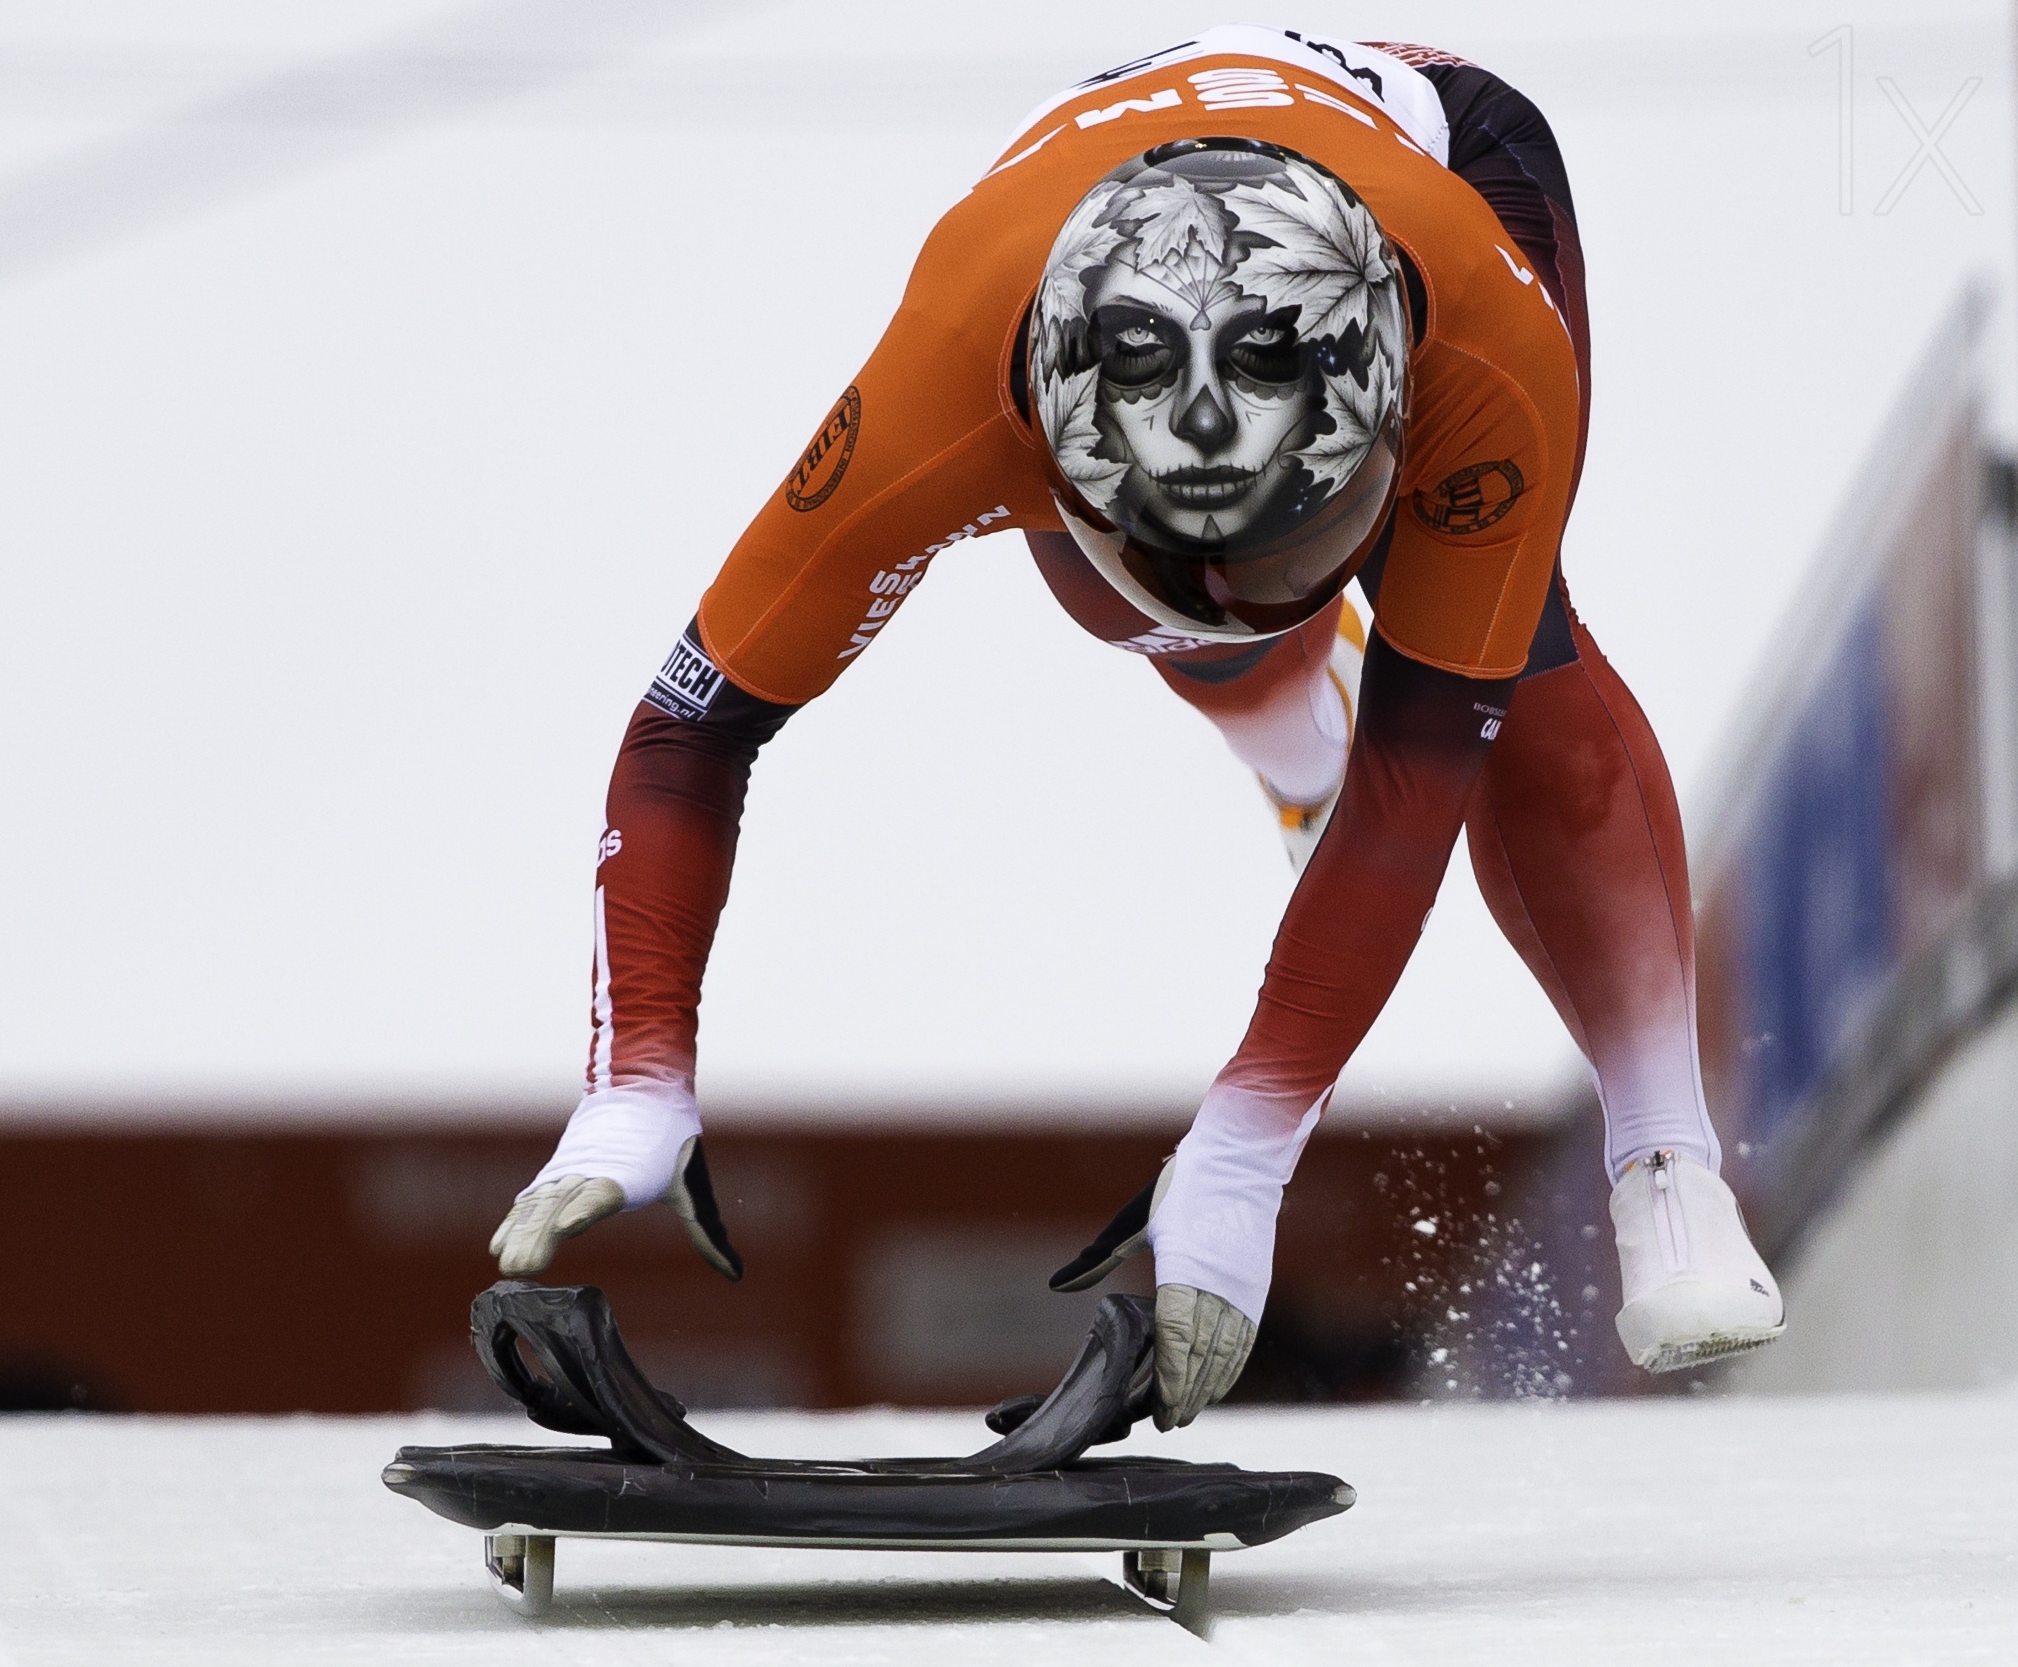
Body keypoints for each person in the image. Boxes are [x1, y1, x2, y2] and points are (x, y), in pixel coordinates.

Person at [488, 25, 1785, 1425]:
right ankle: (1291, 746)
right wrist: (636, 1075)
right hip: (1071, 261)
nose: (1249, 587)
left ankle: (1667, 1154)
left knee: (1519, 668)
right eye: (1195, 554)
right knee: (1162, 624)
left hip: (1447, 152)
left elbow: (1415, 788)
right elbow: (689, 728)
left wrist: (1245, 1147)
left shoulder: (1488, 347)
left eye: (1298, 542)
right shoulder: (945, 381)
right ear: (1052, 458)